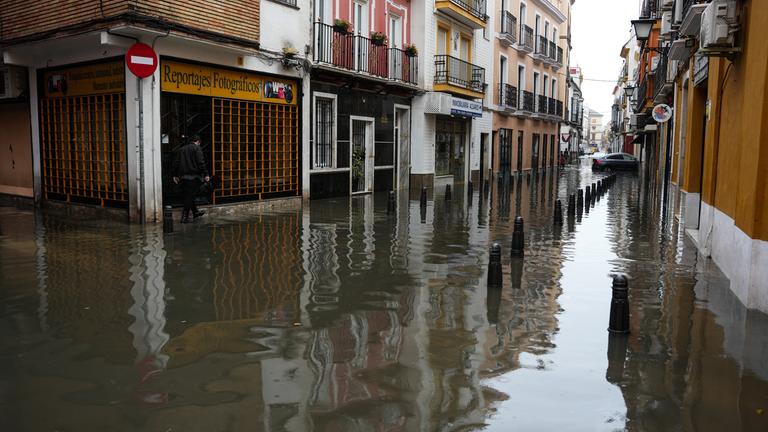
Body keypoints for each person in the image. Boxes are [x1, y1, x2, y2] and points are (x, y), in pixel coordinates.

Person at [172, 135, 210, 223]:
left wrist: (175, 175)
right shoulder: (197, 149)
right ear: (198, 141)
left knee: (189, 195)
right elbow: (201, 162)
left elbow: (176, 163)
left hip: (183, 177)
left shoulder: (182, 149)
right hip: (194, 177)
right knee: (189, 196)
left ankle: (195, 212)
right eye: (199, 143)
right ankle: (184, 217)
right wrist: (206, 174)